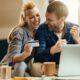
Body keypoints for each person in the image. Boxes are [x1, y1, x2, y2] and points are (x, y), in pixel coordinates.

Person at [32, 1, 80, 76]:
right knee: (35, 67)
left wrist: (77, 40)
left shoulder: (75, 29)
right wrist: (53, 49)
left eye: (50, 20)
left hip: (69, 66)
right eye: (46, 18)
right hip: (49, 67)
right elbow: (37, 57)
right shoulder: (41, 29)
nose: (46, 22)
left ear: (62, 19)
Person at [1, 1, 40, 77]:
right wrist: (25, 54)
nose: (36, 19)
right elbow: (12, 57)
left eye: (37, 15)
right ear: (25, 19)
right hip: (10, 68)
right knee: (21, 66)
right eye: (32, 17)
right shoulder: (19, 32)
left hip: (26, 67)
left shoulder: (38, 32)